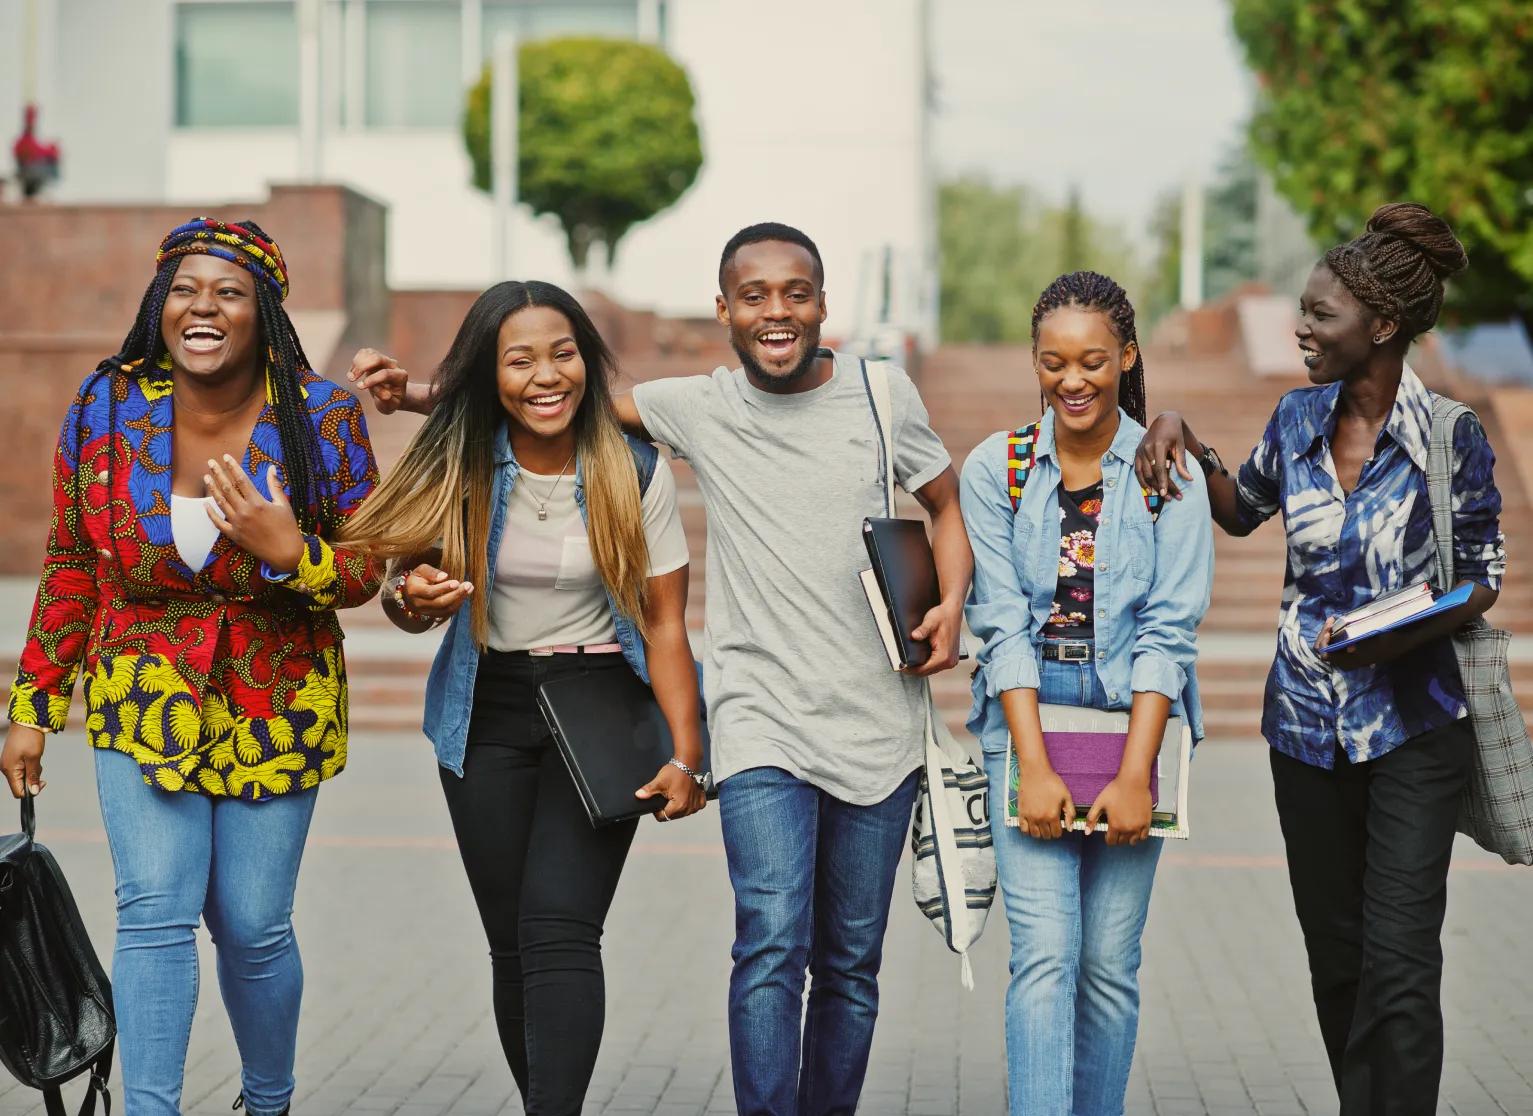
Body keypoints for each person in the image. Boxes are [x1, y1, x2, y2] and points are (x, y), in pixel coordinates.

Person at [353, 223, 971, 1116]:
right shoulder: (699, 405)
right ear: (721, 310)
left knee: (849, 960)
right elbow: (532, 392)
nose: (775, 311)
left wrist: (952, 601)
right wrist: (413, 394)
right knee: (766, 943)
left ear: (824, 304)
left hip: (877, 715)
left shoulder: (882, 397)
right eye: (752, 296)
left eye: (795, 293)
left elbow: (944, 504)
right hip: (754, 713)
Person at [0, 218, 382, 1116]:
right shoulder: (105, 406)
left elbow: (366, 568)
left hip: (276, 699)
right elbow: (70, 561)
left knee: (251, 929)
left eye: (229, 291)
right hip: (143, 695)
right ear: (158, 304)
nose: (202, 306)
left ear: (266, 314)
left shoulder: (321, 416)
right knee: (154, 916)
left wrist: (294, 550)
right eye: (184, 288)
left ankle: (268, 1100)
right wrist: (33, 703)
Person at [1135, 203, 1502, 1115]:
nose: (1301, 327)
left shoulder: (1448, 435)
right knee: (1335, 957)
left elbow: (1481, 580)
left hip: (1414, 725)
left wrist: (1386, 630)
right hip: (1303, 729)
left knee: (1401, 962)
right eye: (1301, 309)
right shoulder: (1297, 417)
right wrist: (1177, 425)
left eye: (1319, 314)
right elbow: (1238, 507)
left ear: (1380, 326)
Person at [339, 280, 705, 1115]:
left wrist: (688, 755)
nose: (547, 374)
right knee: (511, 947)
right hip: (487, 708)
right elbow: (398, 591)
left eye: (564, 352)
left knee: (559, 931)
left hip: (600, 706)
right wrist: (411, 601)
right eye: (520, 358)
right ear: (488, 374)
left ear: (588, 362)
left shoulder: (631, 466)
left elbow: (665, 626)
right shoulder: (458, 456)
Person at [961, 271, 1212, 1115]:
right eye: (1054, 362)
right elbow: (997, 624)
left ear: (1126, 357)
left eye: (1093, 362)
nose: (1073, 380)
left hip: (1130, 718)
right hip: (1026, 717)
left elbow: (1167, 632)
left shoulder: (1163, 470)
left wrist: (1135, 775)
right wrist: (1031, 765)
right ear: (1033, 362)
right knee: (1042, 956)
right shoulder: (994, 468)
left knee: (1107, 966)